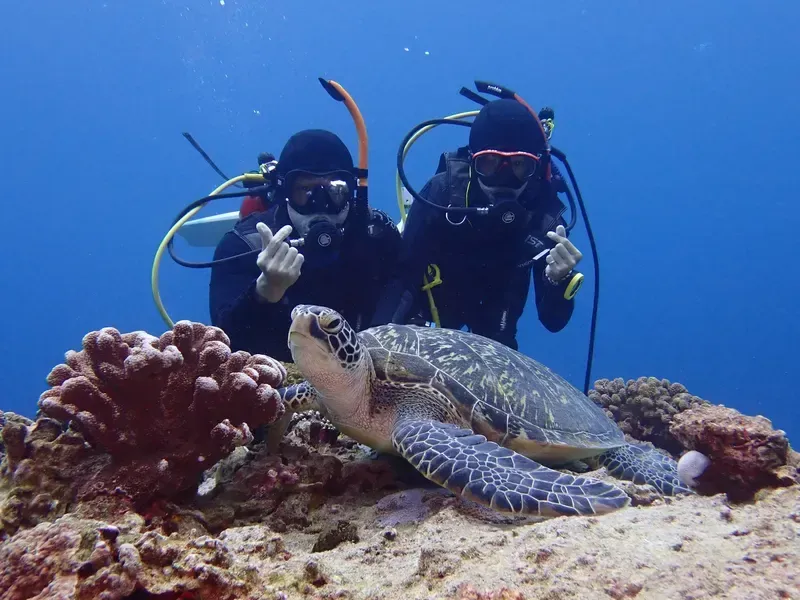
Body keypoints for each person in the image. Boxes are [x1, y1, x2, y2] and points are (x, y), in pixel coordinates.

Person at [372, 98, 584, 350]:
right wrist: (375, 348)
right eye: (490, 162)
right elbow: (402, 278)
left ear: (535, 166)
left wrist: (557, 281)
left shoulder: (544, 217)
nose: (504, 179)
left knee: (499, 360)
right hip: (430, 309)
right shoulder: (443, 193)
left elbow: (553, 320)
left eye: (519, 165)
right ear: (472, 161)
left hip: (496, 318)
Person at [210, 129, 401, 360]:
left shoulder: (377, 235)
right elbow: (226, 348)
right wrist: (264, 293)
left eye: (335, 190)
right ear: (284, 192)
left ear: (352, 192)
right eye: (305, 190)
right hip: (279, 382)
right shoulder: (244, 246)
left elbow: (405, 298)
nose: (320, 203)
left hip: (367, 373)